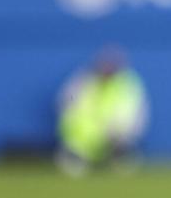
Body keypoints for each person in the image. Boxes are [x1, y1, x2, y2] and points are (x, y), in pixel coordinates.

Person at [56, 46, 149, 175]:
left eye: (112, 65)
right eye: (105, 64)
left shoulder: (128, 83)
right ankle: (76, 156)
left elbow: (136, 112)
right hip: (85, 134)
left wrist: (121, 131)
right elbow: (65, 103)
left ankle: (120, 156)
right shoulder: (83, 80)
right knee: (76, 143)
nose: (108, 69)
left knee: (122, 136)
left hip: (114, 134)